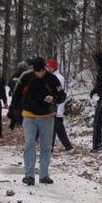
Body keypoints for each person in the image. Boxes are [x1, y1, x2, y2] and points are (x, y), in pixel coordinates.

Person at [16, 57, 64, 185]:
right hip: (29, 115)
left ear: (44, 69)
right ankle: (29, 175)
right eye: (36, 72)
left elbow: (61, 95)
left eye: (40, 71)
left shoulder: (52, 79)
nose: (38, 74)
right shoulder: (27, 78)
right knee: (29, 143)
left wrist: (53, 98)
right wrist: (14, 113)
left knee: (46, 146)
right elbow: (17, 95)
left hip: (47, 116)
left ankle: (44, 175)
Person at [46, 58, 73, 151]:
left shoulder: (58, 78)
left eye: (49, 67)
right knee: (58, 128)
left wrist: (57, 107)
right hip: (54, 106)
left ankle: (51, 147)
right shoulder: (52, 77)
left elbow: (59, 93)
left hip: (57, 107)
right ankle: (67, 146)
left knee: (54, 127)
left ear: (53, 67)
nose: (47, 68)